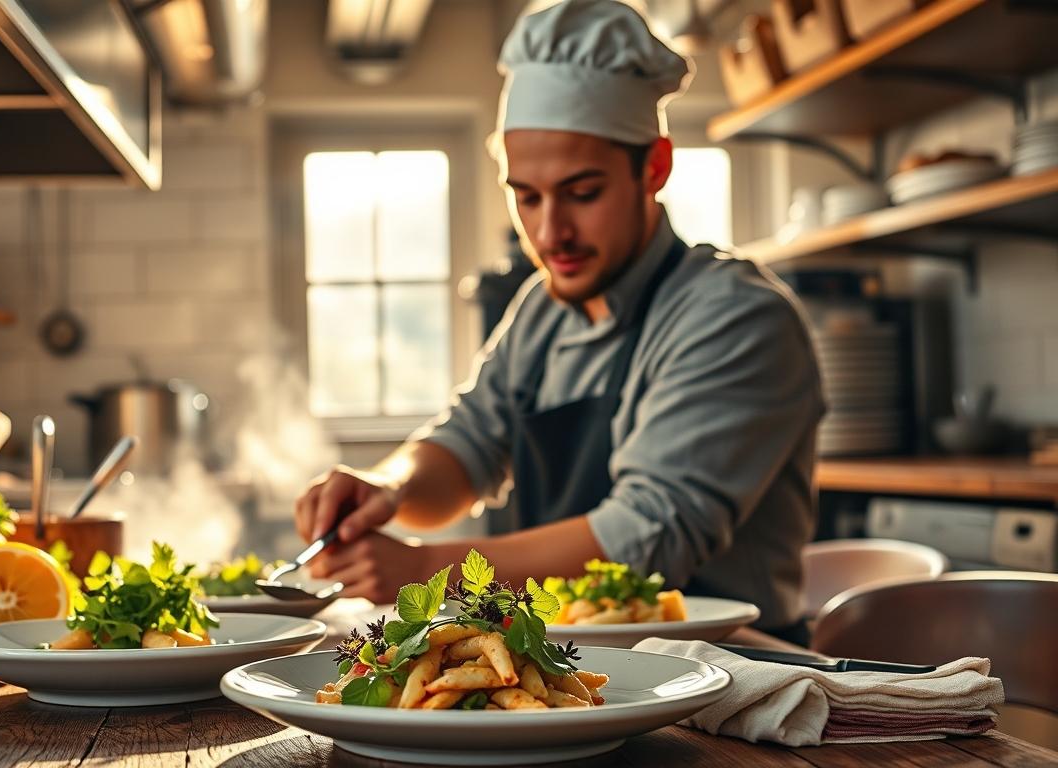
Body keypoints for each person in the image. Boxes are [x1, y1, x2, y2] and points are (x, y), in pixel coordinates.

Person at [293, 0, 824, 640]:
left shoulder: (736, 317)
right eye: (527, 196)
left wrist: (426, 572)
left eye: (582, 192)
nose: (550, 232)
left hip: (732, 684)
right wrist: (389, 486)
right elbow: (467, 446)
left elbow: (647, 537)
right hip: (574, 672)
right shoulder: (544, 309)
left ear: (654, 167)